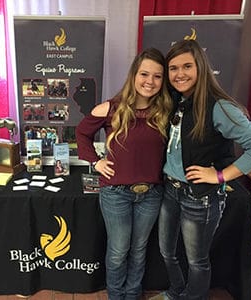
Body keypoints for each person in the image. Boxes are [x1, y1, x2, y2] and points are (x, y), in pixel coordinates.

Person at [150, 39, 251, 300]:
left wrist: (220, 175)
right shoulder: (175, 101)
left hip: (201, 197)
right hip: (171, 191)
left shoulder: (219, 106)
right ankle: (175, 292)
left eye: (187, 66)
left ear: (201, 68)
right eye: (173, 68)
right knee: (167, 252)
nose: (179, 74)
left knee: (197, 261)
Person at [75, 48, 172, 300]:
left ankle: (132, 294)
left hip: (151, 194)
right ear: (134, 75)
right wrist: (95, 162)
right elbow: (81, 133)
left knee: (139, 250)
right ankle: (116, 296)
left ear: (163, 81)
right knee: (119, 250)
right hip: (115, 194)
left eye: (157, 76)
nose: (150, 81)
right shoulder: (111, 108)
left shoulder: (166, 111)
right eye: (144, 74)